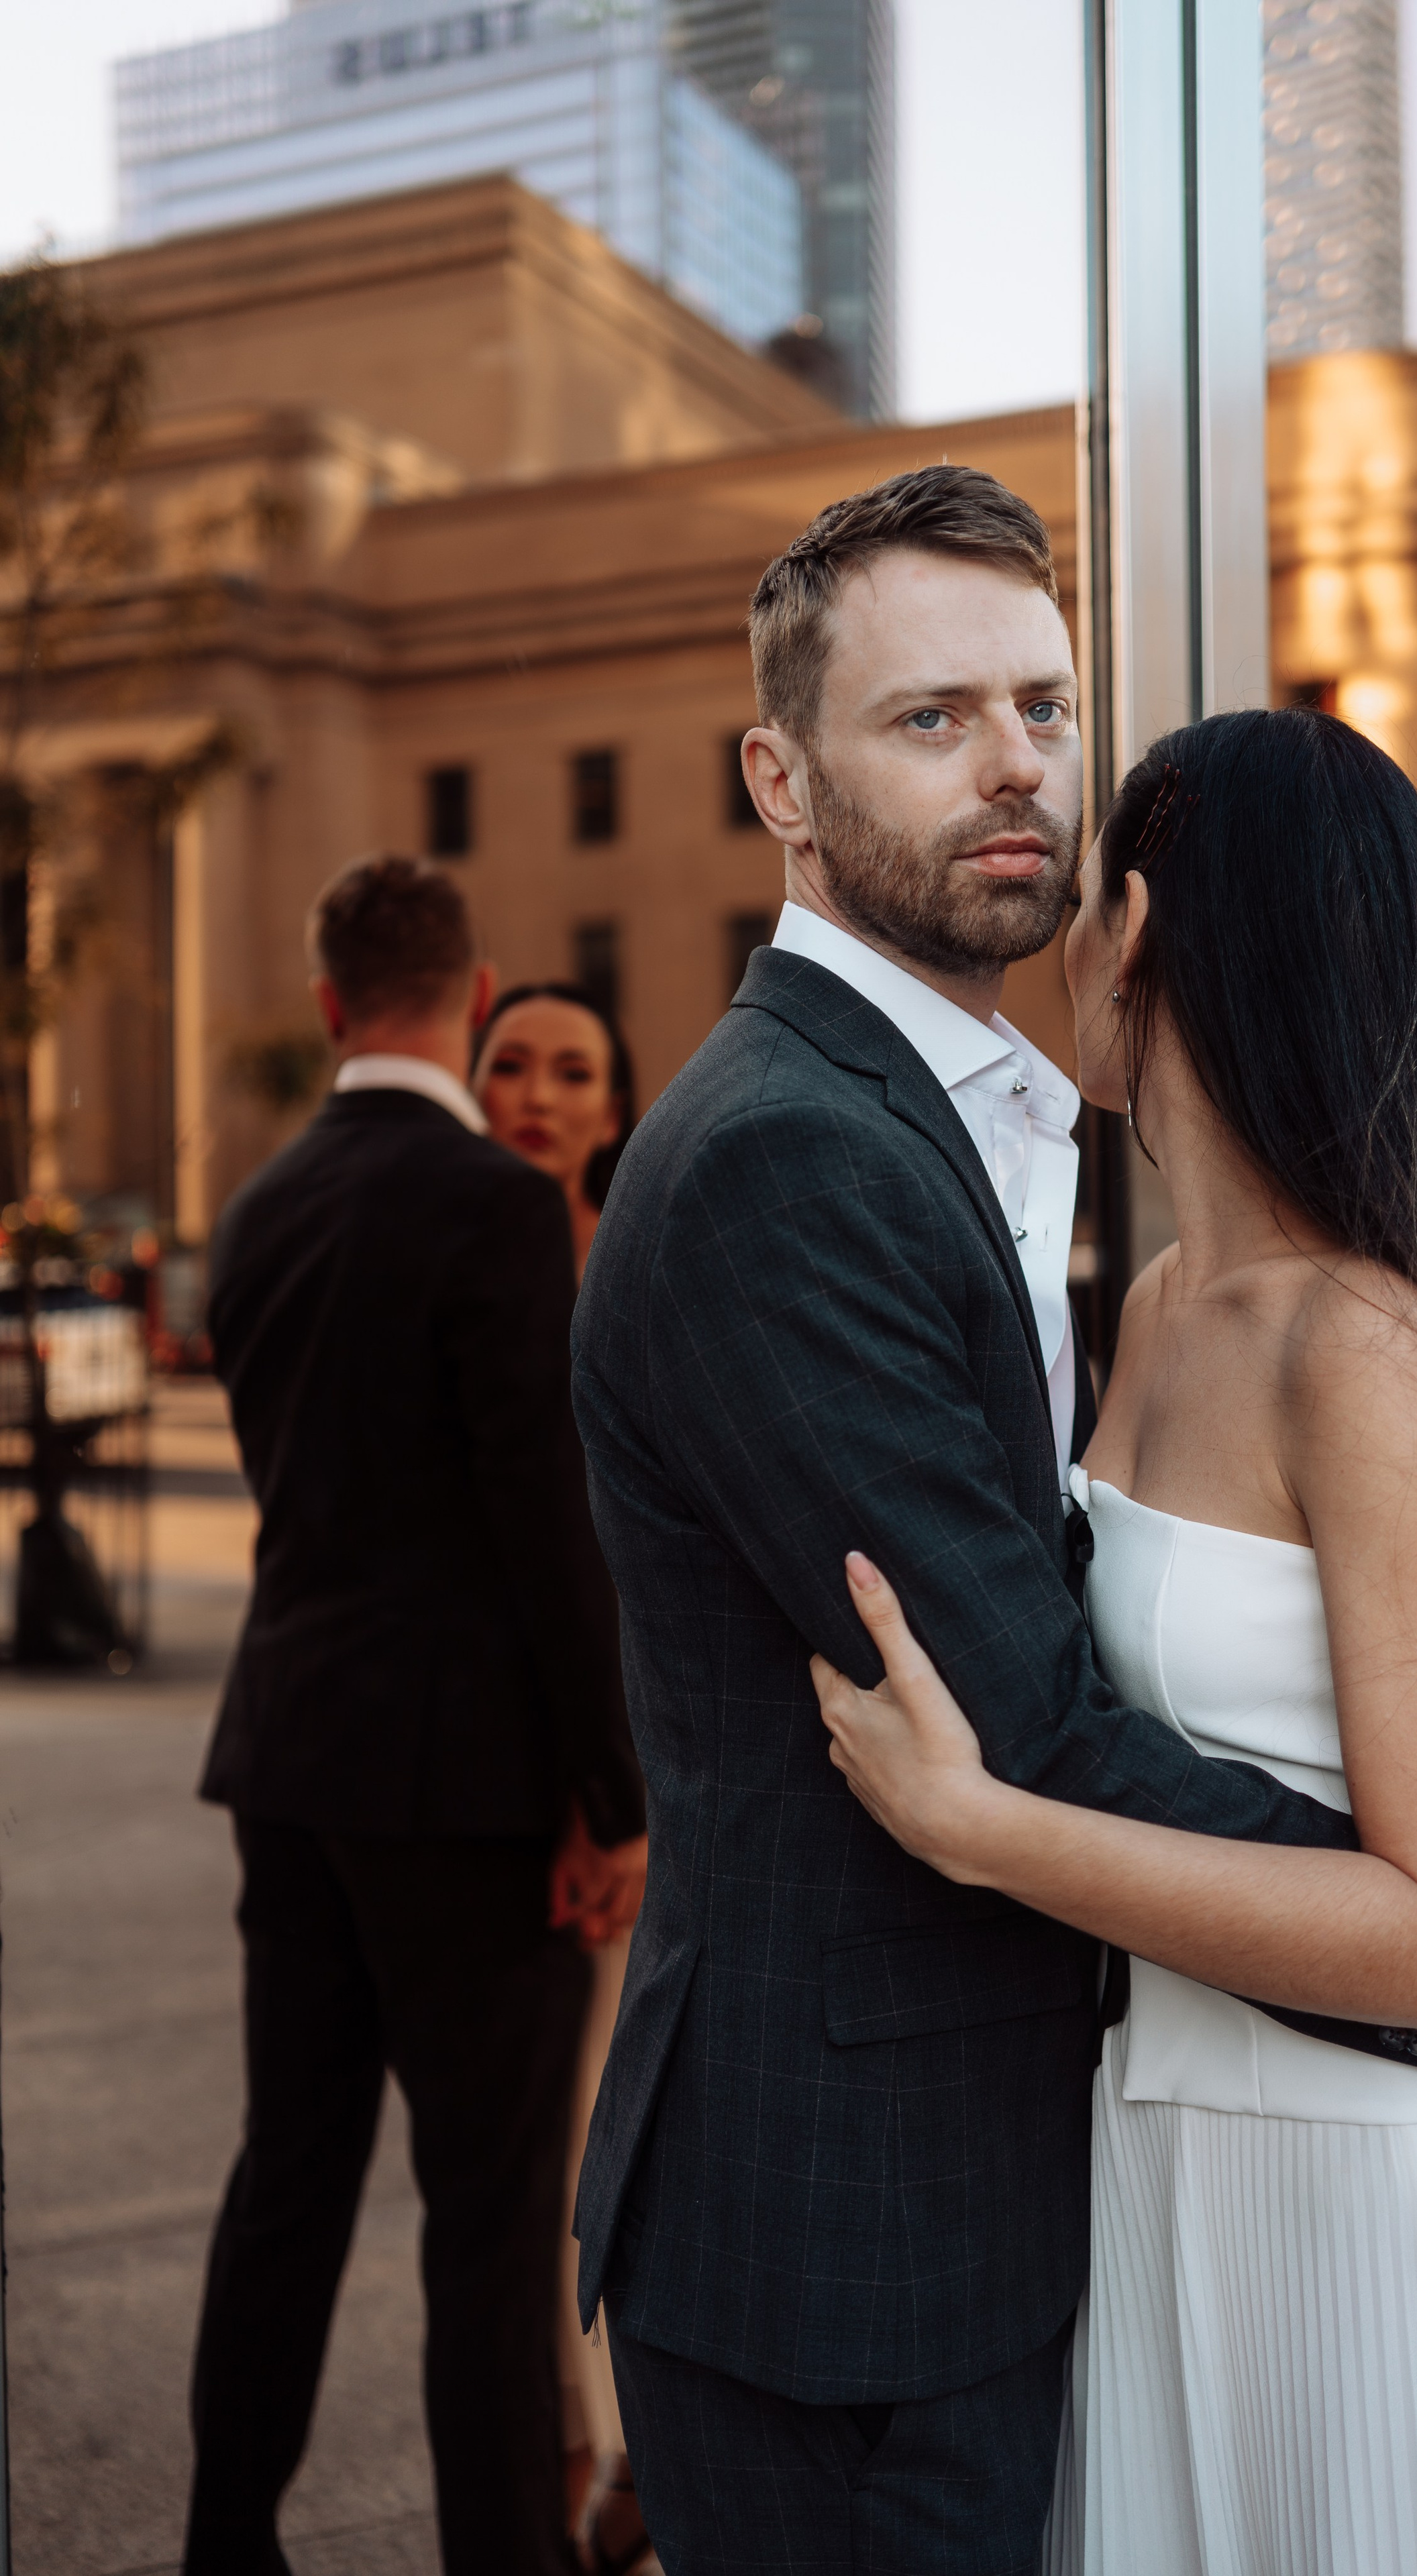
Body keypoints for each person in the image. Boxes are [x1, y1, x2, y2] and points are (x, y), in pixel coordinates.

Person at [567, 468, 1417, 2575]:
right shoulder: (791, 1158)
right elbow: (1018, 1721)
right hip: (857, 2245)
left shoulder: (994, 1148)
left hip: (1045, 2199)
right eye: (930, 718)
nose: (1016, 762)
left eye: (1041, 706)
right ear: (781, 782)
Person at [813, 710, 1417, 2576]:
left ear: (1133, 930)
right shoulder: (1159, 1306)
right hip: (1166, 2183)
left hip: (1388, 2214)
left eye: (1078, 902)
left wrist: (987, 1834)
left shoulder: (1360, 1344)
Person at [185, 855, 645, 2576]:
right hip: (466, 1797)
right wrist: (612, 1795)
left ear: (327, 1005)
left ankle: (225, 2541)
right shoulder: (493, 1207)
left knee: (284, 2186)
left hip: (288, 1758)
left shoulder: (258, 1206)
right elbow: (540, 1528)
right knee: (486, 2227)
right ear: (475, 995)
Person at [472, 981, 656, 2576]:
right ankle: (580, 2450)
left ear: (612, 1107)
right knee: (535, 2150)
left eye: (570, 1072)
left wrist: (624, 1807)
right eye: (509, 1064)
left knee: (622, 2124)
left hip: (636, 1766)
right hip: (500, 1784)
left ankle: (625, 2457)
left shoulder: (636, 1270)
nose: (536, 1095)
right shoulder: (457, 1264)